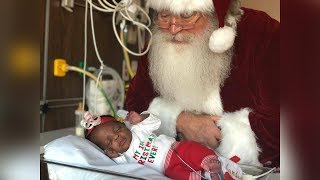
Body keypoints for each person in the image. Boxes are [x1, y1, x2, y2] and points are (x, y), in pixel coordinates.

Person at [126, 0, 279, 167]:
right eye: (164, 15)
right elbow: (135, 105)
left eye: (187, 15)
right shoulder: (158, 41)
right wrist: (179, 120)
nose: (173, 28)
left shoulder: (261, 31)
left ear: (215, 12)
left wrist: (220, 135)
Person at [82, 111, 243, 180]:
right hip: (166, 168)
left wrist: (141, 118)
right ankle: (203, 176)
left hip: (175, 149)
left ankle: (210, 161)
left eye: (117, 129)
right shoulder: (122, 158)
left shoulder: (138, 131)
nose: (116, 137)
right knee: (177, 175)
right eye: (110, 142)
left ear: (124, 125)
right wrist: (111, 156)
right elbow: (116, 169)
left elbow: (154, 121)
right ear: (109, 151)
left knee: (193, 150)